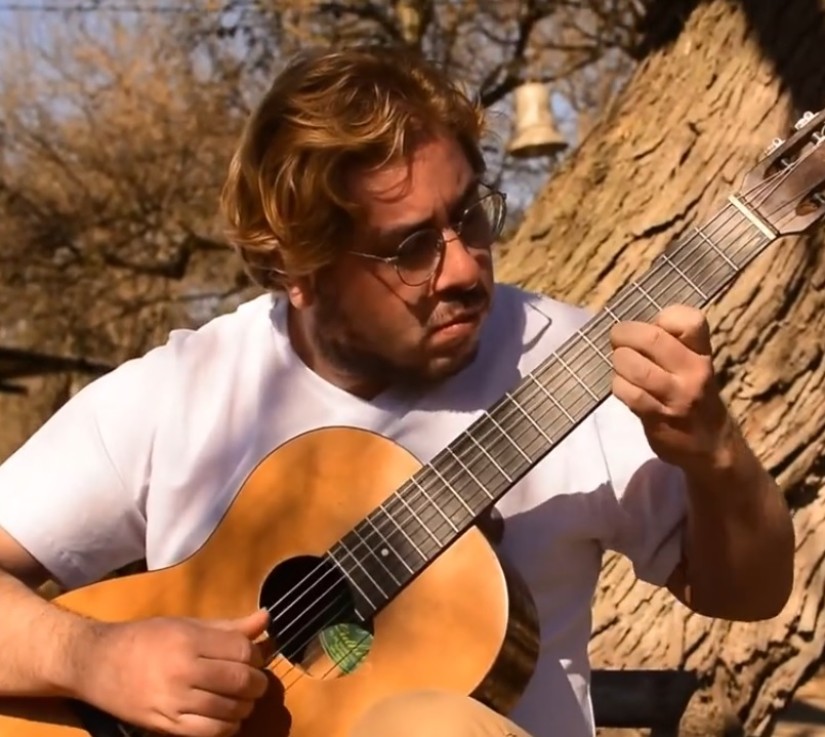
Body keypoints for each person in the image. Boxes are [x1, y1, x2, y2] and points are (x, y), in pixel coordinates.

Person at [0, 44, 794, 737]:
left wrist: (715, 456)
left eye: (469, 215)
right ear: (299, 270)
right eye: (409, 247)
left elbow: (749, 594)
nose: (463, 268)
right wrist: (91, 656)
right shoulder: (188, 392)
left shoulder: (575, 363)